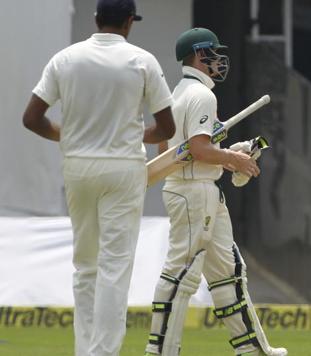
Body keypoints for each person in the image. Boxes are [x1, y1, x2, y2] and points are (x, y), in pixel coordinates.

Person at [22, 1, 175, 355]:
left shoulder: (65, 59)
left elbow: (32, 118)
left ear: (95, 19)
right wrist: (132, 135)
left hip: (77, 167)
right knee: (114, 267)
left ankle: (84, 350)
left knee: (85, 265)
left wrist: (73, 136)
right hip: (123, 169)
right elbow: (166, 127)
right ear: (128, 22)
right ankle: (102, 353)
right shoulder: (142, 60)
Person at [143, 28, 287, 356]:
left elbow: (174, 149)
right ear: (199, 55)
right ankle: (160, 351)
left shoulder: (177, 93)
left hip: (193, 186)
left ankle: (252, 349)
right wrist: (233, 159)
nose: (219, 60)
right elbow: (198, 148)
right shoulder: (202, 96)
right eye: (214, 53)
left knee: (228, 272)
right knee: (182, 272)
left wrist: (231, 154)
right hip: (195, 192)